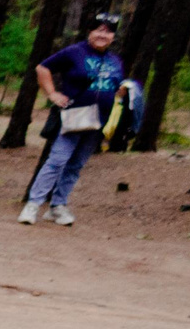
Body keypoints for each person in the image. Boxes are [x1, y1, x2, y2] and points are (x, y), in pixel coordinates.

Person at [20, 12, 124, 227]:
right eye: (98, 30)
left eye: (108, 32)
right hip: (75, 116)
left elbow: (115, 86)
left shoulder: (115, 60)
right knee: (57, 160)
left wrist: (122, 94)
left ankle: (58, 206)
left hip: (99, 121)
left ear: (113, 37)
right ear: (90, 32)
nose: (102, 35)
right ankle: (33, 204)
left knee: (76, 165)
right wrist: (52, 93)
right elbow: (43, 68)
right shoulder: (75, 52)